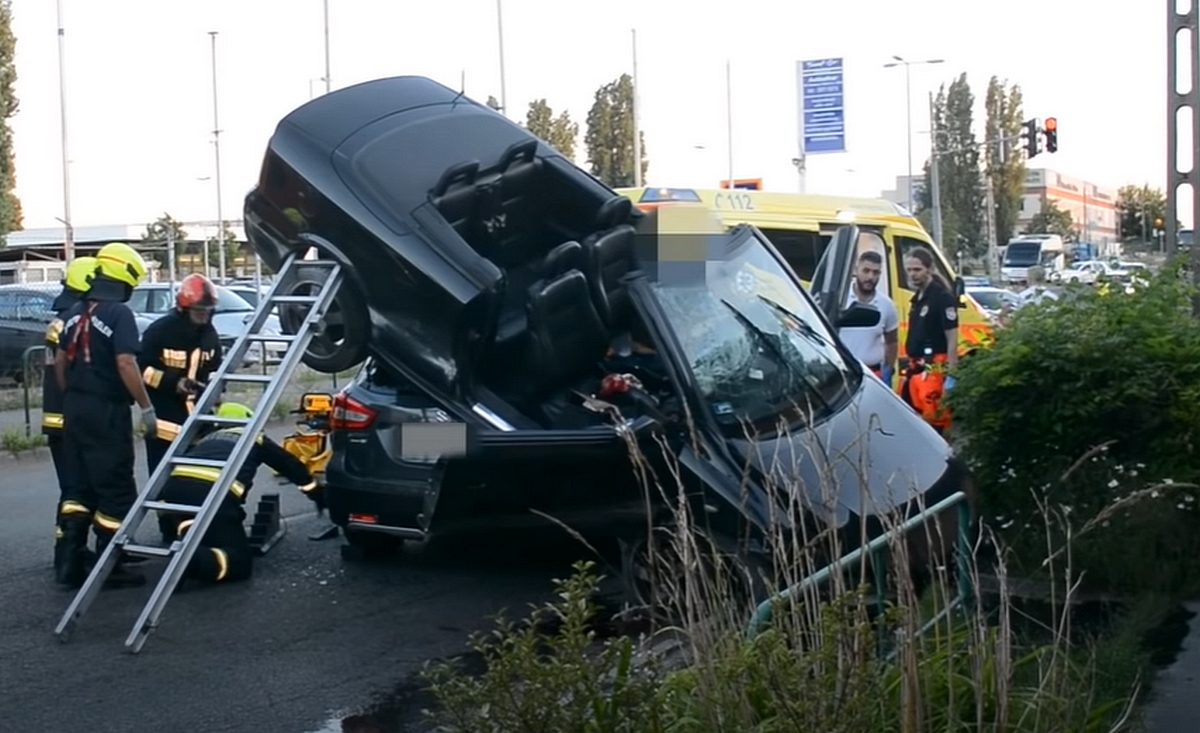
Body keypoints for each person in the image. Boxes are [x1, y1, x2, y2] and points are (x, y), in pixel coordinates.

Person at [53, 242, 156, 589]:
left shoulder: (74, 312)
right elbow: (126, 362)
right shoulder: (118, 314)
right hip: (106, 410)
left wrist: (73, 395)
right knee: (116, 488)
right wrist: (146, 406)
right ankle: (111, 563)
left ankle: (71, 558)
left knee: (80, 486)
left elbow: (59, 362)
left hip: (75, 408)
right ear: (124, 276)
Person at [156, 402, 324, 585]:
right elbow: (290, 465)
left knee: (203, 530)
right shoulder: (254, 438)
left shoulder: (208, 438)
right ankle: (193, 562)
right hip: (214, 496)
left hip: (175, 492)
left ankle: (189, 547)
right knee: (240, 563)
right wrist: (316, 492)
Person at [138, 273, 224, 475]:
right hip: (165, 421)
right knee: (163, 475)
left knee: (197, 476)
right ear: (183, 308)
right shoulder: (161, 331)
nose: (204, 315)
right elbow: (142, 369)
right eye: (198, 311)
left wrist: (216, 391)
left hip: (199, 420)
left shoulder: (210, 336)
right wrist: (173, 383)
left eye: (208, 311)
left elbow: (216, 369)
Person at [42, 256, 97, 533]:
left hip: (57, 416)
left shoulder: (61, 319)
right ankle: (68, 551)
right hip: (71, 416)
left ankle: (66, 547)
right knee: (77, 488)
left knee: (73, 487)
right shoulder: (75, 320)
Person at [898, 247, 959, 436]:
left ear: (929, 269)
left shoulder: (942, 298)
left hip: (935, 371)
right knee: (915, 423)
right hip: (917, 371)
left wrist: (952, 374)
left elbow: (952, 338)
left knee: (935, 427)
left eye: (917, 269)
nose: (913, 274)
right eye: (909, 270)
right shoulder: (917, 299)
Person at [837, 249, 899, 385]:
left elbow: (892, 341)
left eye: (875, 272)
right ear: (856, 270)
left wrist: (887, 370)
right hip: (842, 374)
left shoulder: (886, 305)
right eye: (866, 271)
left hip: (873, 376)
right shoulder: (840, 299)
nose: (870, 277)